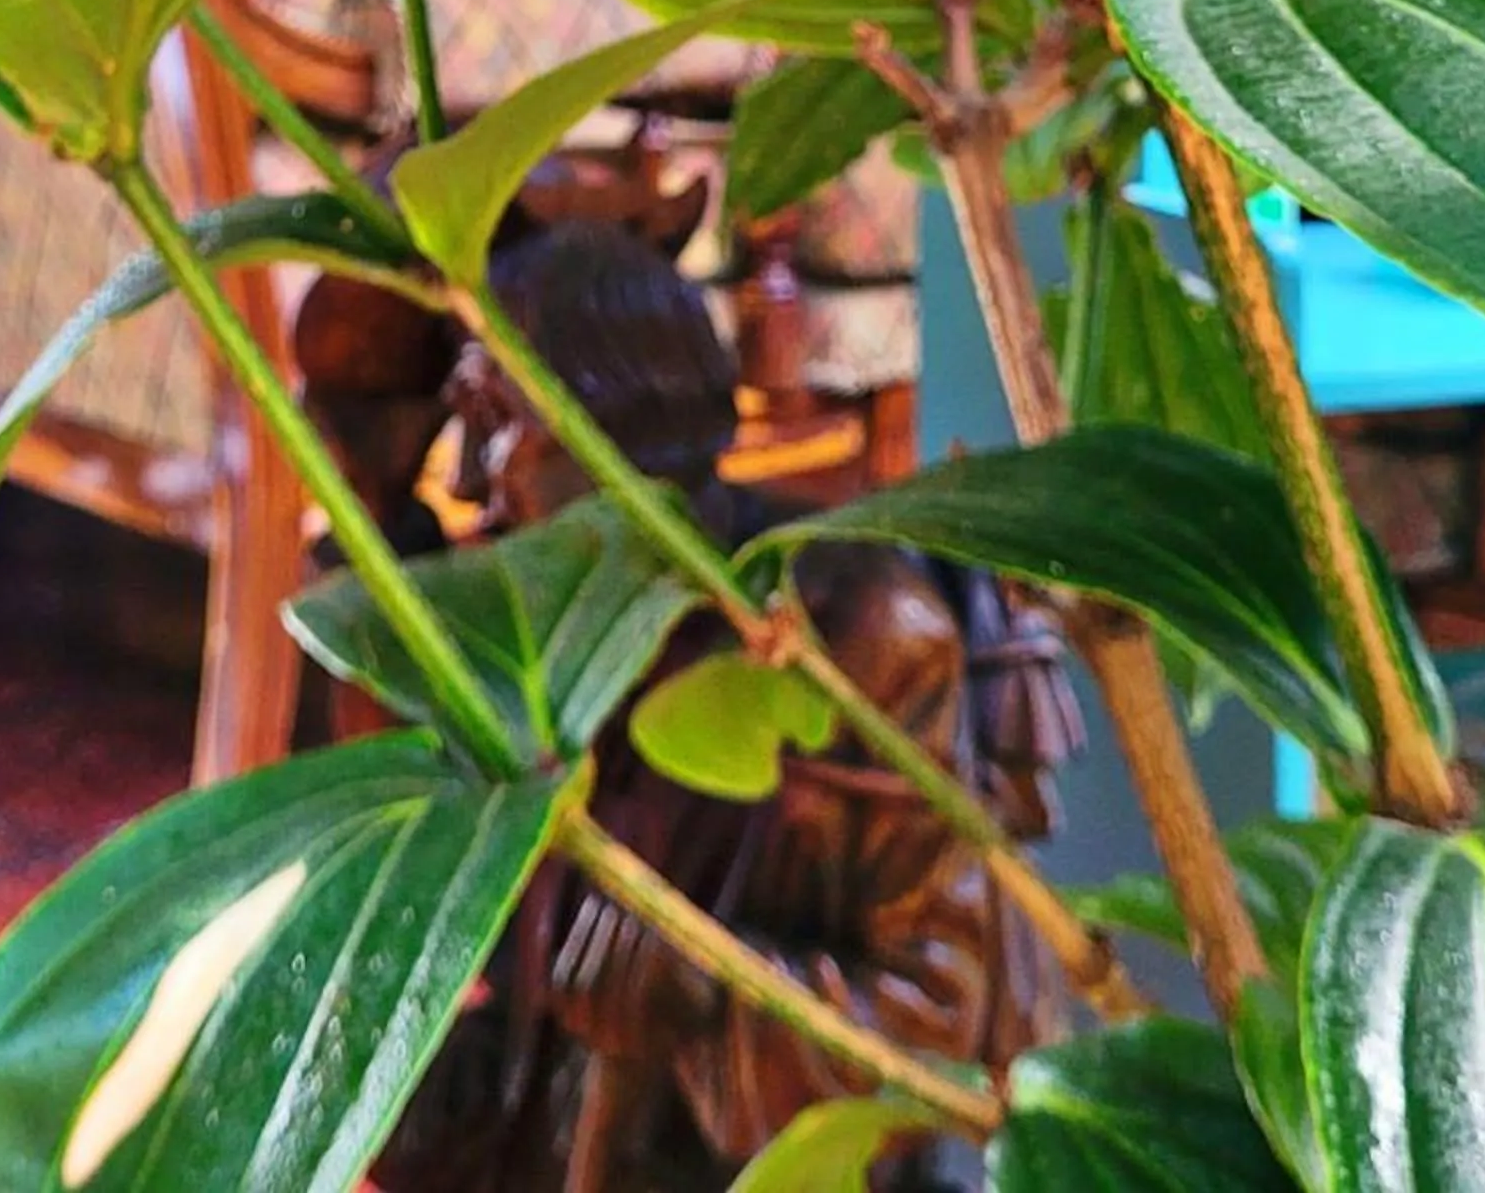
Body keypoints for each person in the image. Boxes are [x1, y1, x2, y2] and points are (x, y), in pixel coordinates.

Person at [378, 222, 1071, 1193]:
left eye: (498, 421)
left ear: (619, 431)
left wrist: (710, 992)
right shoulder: (555, 631)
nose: (462, 481)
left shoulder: (863, 640)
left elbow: (937, 1039)